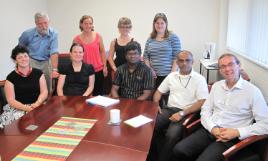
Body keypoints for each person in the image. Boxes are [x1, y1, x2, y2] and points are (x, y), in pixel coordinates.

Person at [172, 53, 268, 161]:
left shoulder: (252, 91)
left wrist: (237, 132)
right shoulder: (217, 86)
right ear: (220, 70)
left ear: (239, 65)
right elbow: (205, 110)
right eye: (223, 66)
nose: (227, 69)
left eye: (230, 64)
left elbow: (265, 124)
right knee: (179, 150)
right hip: (211, 130)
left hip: (231, 137)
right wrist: (212, 128)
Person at [147, 50, 209, 161]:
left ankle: (162, 158)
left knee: (171, 135)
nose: (184, 63)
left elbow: (202, 102)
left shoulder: (199, 79)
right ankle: (151, 155)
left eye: (187, 60)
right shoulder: (172, 76)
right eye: (181, 61)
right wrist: (156, 104)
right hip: (169, 109)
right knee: (150, 126)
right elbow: (158, 92)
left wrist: (182, 113)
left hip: (188, 112)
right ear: (177, 62)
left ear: (192, 62)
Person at [0, 45, 48, 128]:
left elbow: (44, 91)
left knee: (48, 120)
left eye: (25, 56)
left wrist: (37, 103)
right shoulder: (10, 77)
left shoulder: (38, 73)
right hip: (18, 108)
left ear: (29, 57)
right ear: (15, 61)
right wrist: (26, 108)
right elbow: (11, 100)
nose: (24, 59)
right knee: (18, 123)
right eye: (20, 57)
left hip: (37, 105)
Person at [19, 12, 59, 92]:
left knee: (48, 86)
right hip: (32, 60)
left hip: (46, 61)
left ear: (49, 22)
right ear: (36, 23)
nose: (44, 26)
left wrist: (54, 70)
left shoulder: (54, 33)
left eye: (45, 23)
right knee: (33, 85)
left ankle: (47, 103)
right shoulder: (27, 34)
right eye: (40, 24)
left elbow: (54, 52)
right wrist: (21, 64)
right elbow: (20, 48)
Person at [143, 13, 181, 89]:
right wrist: (150, 70)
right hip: (154, 76)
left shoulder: (173, 37)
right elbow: (145, 56)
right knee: (155, 99)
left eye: (162, 23)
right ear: (154, 24)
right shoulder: (150, 39)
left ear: (166, 24)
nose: (159, 25)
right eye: (157, 23)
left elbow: (177, 57)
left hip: (169, 75)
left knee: (168, 99)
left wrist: (172, 74)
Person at [73, 15, 107, 96]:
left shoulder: (98, 36)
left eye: (90, 23)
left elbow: (102, 52)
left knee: (98, 96)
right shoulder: (76, 39)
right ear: (81, 24)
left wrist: (105, 67)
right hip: (84, 71)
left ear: (92, 25)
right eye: (85, 23)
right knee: (86, 96)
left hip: (98, 70)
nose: (88, 25)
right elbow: (74, 55)